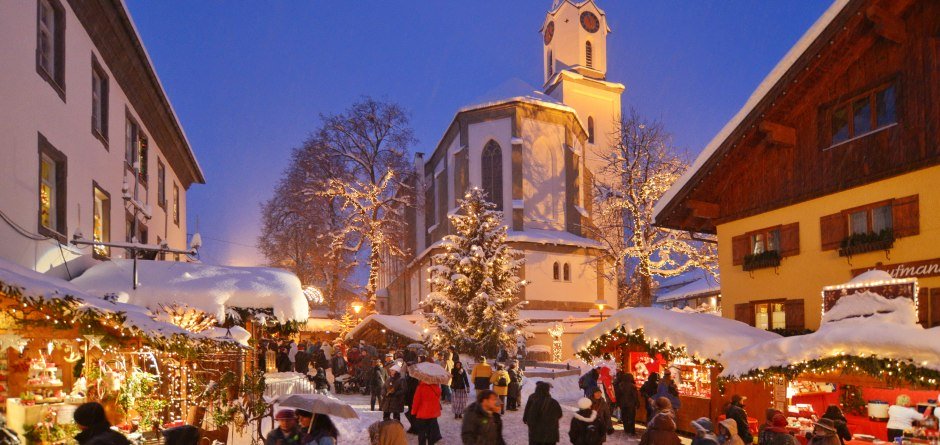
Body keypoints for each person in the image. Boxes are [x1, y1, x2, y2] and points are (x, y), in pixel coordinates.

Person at [522, 381, 562, 445]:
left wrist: (526, 419)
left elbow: (529, 413)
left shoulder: (534, 400)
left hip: (537, 435)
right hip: (551, 435)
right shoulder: (554, 402)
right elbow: (560, 414)